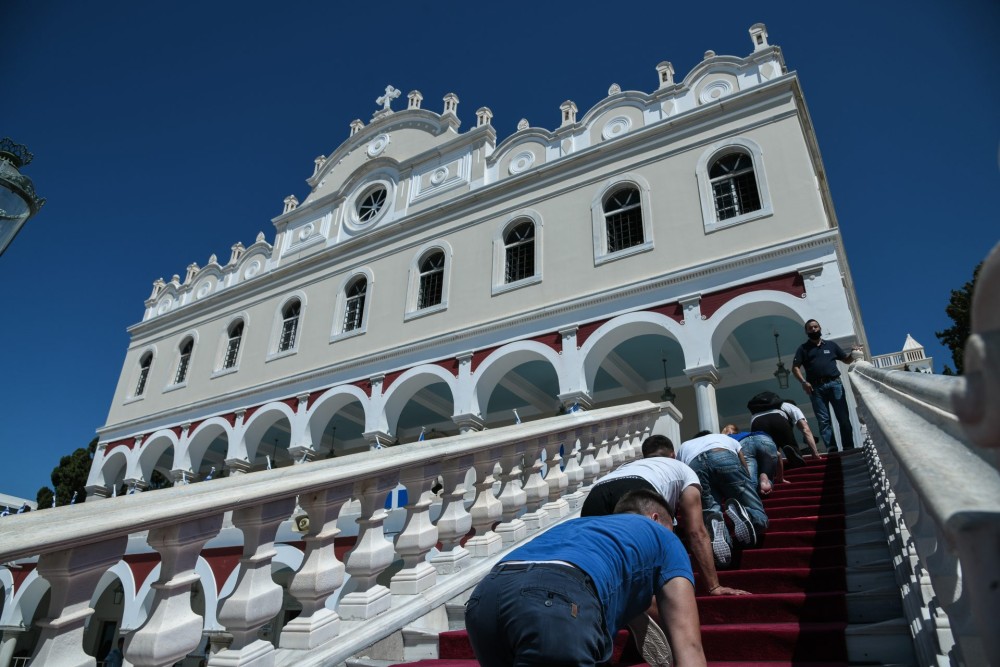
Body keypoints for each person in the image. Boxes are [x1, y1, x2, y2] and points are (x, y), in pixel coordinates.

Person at [465, 489, 707, 667]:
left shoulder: (581, 527)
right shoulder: (665, 539)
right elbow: (689, 644)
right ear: (656, 518)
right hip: (554, 598)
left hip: (487, 596)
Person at [582, 434, 748, 596]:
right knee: (659, 548)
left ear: (645, 455)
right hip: (639, 489)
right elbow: (696, 532)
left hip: (597, 491)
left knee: (597, 553)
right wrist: (714, 586)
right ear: (673, 455)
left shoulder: (629, 465)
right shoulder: (684, 469)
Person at [676, 431, 768, 566]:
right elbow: (742, 459)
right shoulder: (724, 438)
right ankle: (750, 516)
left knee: (711, 508)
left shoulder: (685, 446)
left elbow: (681, 469)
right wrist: (746, 484)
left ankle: (717, 528)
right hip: (722, 455)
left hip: (695, 465)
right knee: (755, 508)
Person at [792, 319, 861, 451]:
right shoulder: (803, 349)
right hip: (815, 388)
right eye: (810, 328)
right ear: (806, 331)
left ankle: (848, 447)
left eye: (815, 327)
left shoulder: (831, 345)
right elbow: (795, 368)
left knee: (843, 417)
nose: (813, 329)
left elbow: (846, 360)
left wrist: (853, 353)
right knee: (824, 421)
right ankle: (832, 448)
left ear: (820, 328)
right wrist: (803, 382)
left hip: (835, 384)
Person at [721, 424, 782, 494]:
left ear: (727, 432)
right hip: (764, 438)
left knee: (750, 479)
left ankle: (753, 493)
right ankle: (765, 476)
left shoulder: (727, 438)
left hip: (743, 443)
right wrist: (780, 478)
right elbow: (779, 455)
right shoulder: (745, 433)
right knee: (767, 469)